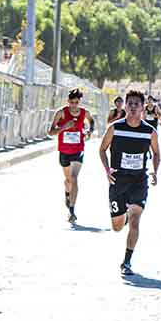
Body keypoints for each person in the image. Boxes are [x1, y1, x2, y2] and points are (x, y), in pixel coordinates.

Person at [99, 88, 160, 276]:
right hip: (118, 180)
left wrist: (154, 171)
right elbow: (102, 150)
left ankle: (127, 261)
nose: (133, 107)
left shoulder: (149, 131)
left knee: (135, 221)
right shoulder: (115, 128)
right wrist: (107, 170)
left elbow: (157, 153)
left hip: (139, 180)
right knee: (117, 227)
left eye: (137, 104)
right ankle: (122, 216)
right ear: (125, 106)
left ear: (143, 108)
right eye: (130, 104)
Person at [48, 88, 95, 223]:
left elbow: (91, 122)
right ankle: (67, 193)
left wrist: (89, 131)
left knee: (74, 178)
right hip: (64, 151)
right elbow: (50, 132)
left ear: (80, 102)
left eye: (76, 102)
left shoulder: (85, 113)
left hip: (78, 149)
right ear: (68, 101)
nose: (74, 105)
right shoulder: (61, 113)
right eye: (71, 102)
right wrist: (64, 127)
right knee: (68, 180)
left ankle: (72, 211)